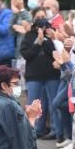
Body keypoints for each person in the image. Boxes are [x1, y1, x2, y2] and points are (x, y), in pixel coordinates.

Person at [19, 10, 61, 141]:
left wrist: (46, 41)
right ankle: (36, 129)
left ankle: (55, 129)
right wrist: (37, 42)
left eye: (43, 18)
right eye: (38, 18)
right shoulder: (28, 36)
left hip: (51, 75)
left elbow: (55, 52)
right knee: (35, 104)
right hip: (34, 76)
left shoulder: (52, 35)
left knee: (53, 103)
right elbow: (27, 55)